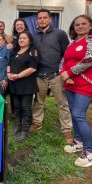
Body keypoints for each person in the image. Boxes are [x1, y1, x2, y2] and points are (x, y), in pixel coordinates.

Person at [60, 15, 92, 167]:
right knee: (73, 112)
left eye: (83, 24)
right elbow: (63, 61)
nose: (79, 26)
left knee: (79, 115)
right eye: (76, 24)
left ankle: (90, 153)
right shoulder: (72, 43)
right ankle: (78, 141)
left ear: (91, 25)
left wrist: (70, 72)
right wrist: (64, 75)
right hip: (71, 83)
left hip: (86, 83)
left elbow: (91, 58)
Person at [31, 9, 73, 144]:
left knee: (63, 104)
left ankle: (66, 129)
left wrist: (65, 72)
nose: (42, 20)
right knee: (38, 101)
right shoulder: (34, 36)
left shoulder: (60, 34)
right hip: (39, 75)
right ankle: (37, 122)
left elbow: (67, 54)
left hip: (56, 75)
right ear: (37, 20)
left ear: (50, 19)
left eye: (44, 18)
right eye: (39, 18)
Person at [7, 32, 38, 142]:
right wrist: (9, 74)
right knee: (17, 107)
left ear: (29, 40)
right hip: (15, 83)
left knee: (26, 108)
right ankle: (17, 127)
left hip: (26, 84)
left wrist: (18, 76)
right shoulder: (15, 52)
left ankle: (25, 131)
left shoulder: (32, 52)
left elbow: (33, 68)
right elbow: (9, 64)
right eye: (20, 38)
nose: (21, 40)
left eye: (24, 38)